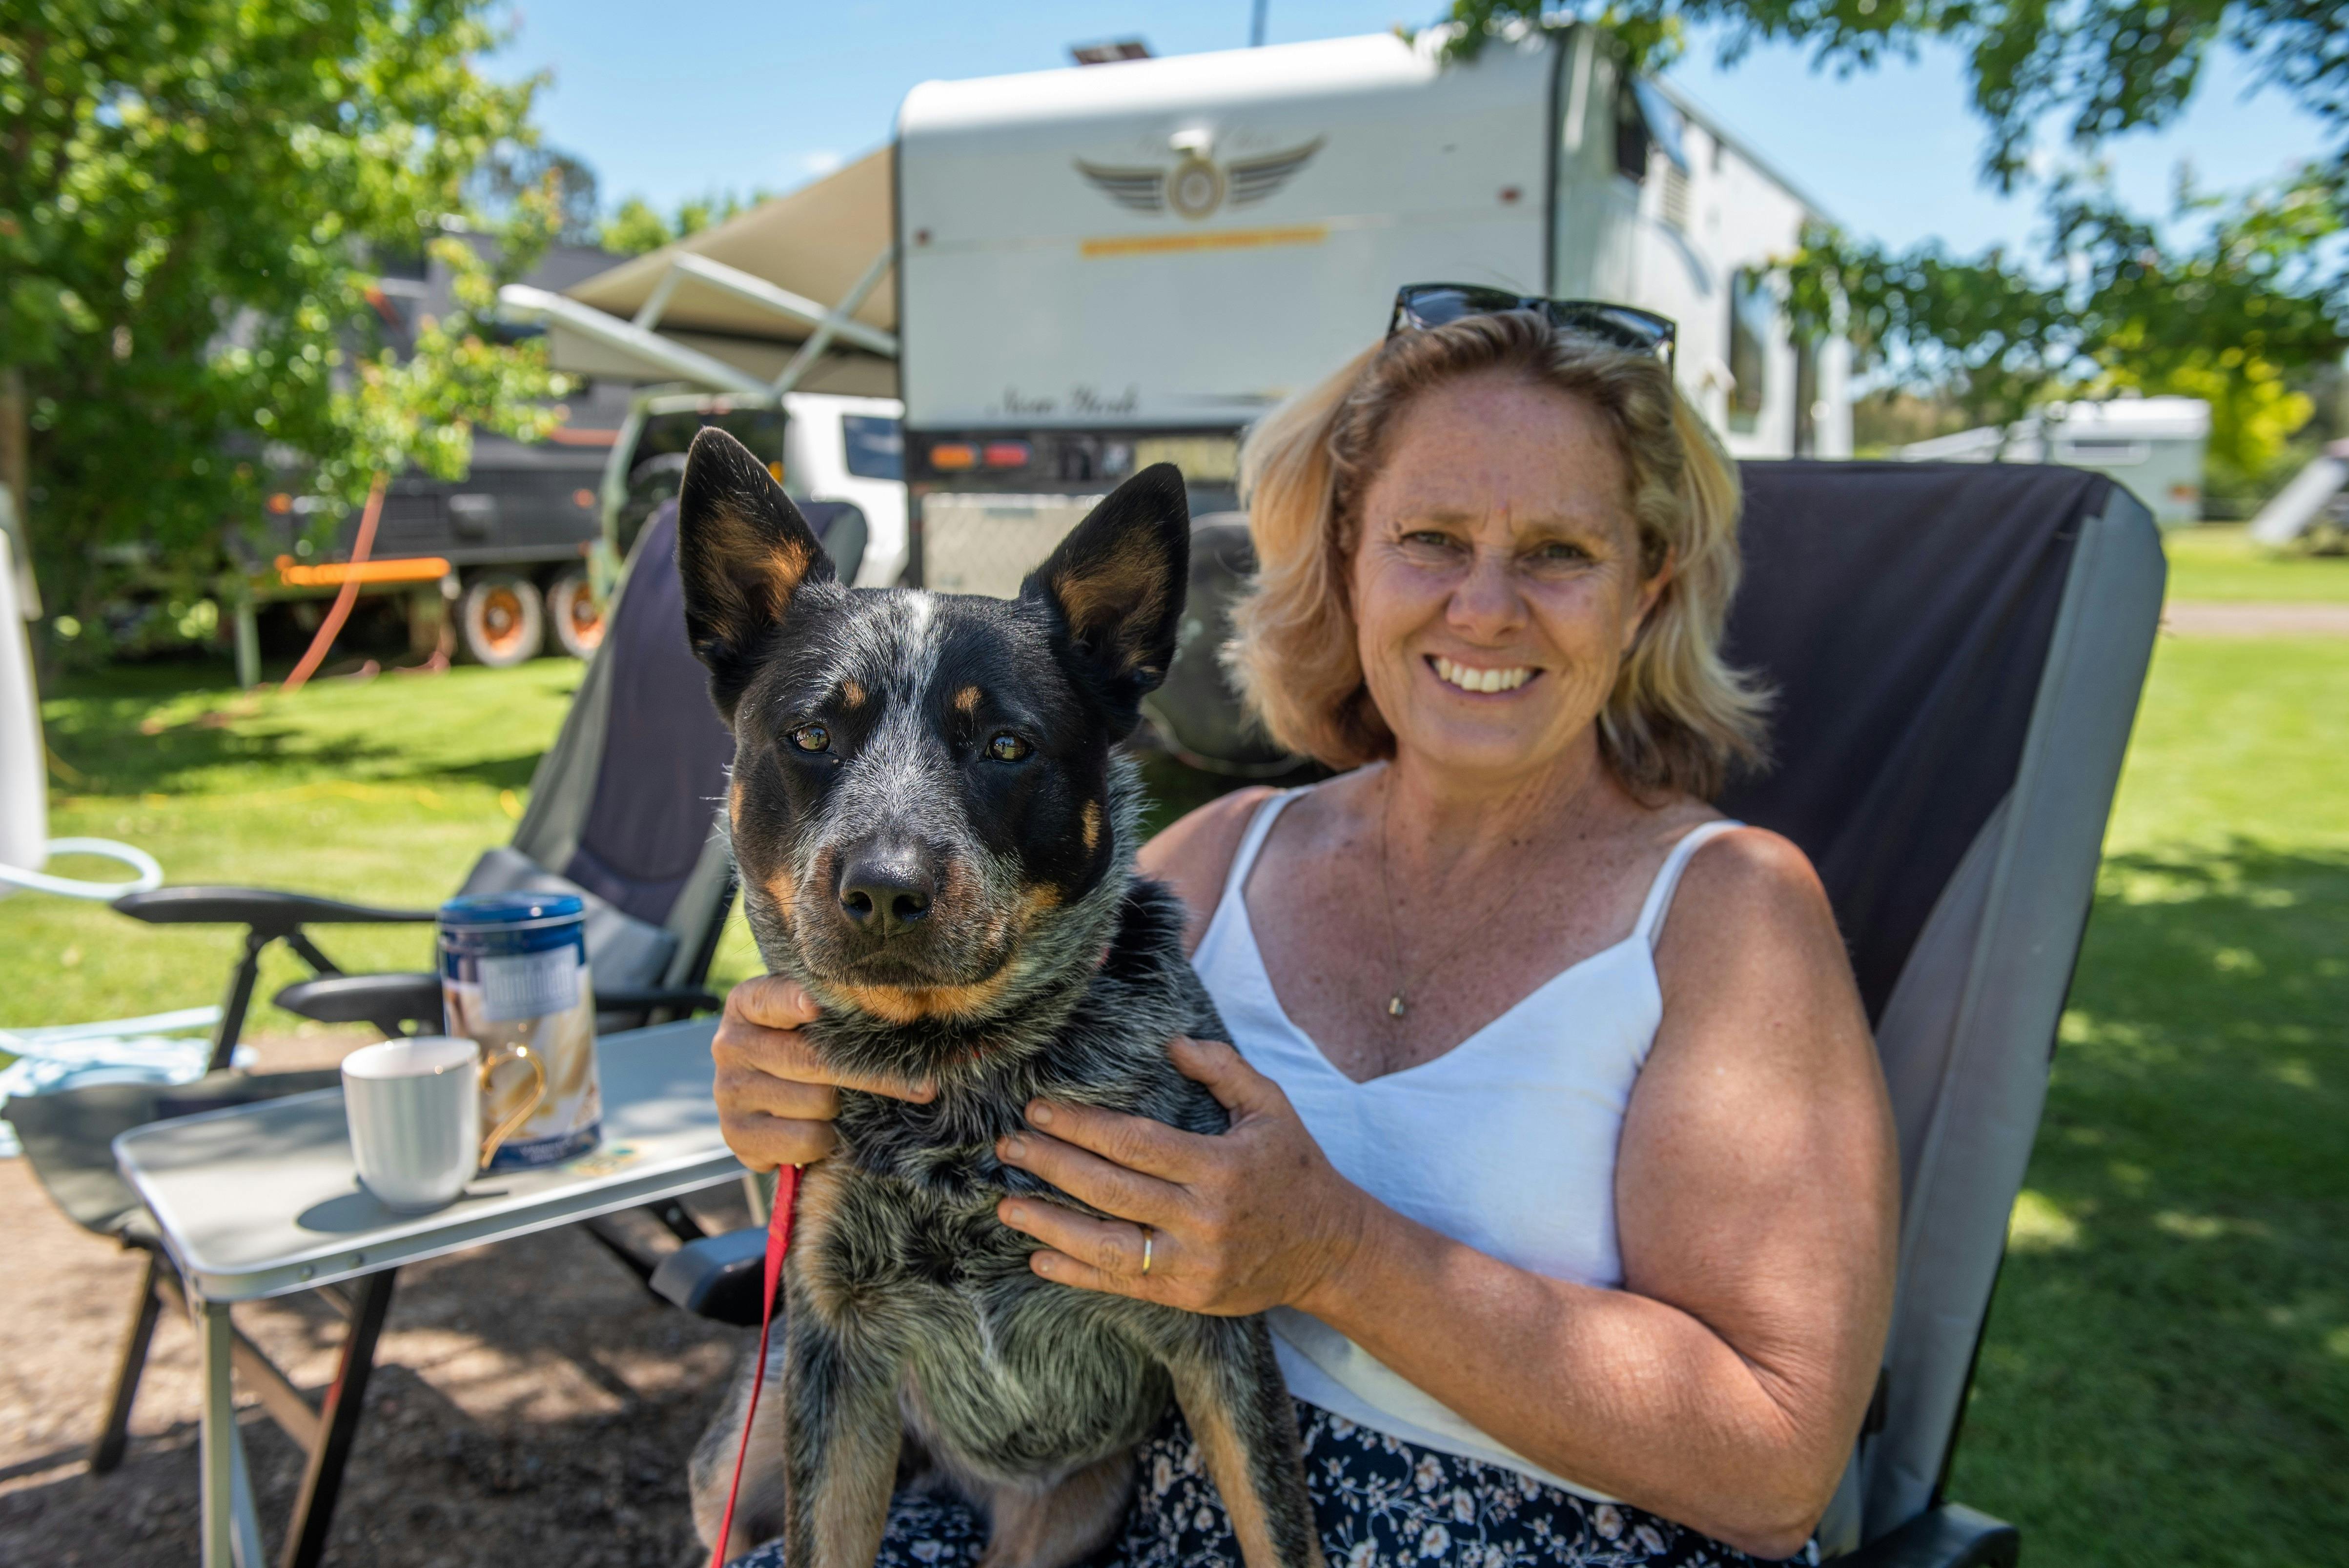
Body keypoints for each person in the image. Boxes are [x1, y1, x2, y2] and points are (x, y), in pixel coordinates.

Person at [712, 290, 1898, 1568]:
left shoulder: (1729, 913)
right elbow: (909, 1188)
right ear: (1346, 560)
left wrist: (1333, 1251)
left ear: (1647, 585)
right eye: (1432, 538)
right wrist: (775, 1105)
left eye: (1559, 551)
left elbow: (1777, 1468)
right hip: (1138, 1514)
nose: (1487, 608)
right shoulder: (1219, 863)